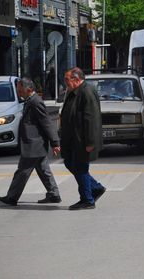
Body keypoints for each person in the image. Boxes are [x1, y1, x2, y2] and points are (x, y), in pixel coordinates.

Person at [0, 77, 62, 206]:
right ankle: (54, 194)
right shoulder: (30, 100)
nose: (19, 93)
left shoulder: (35, 102)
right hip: (35, 144)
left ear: (29, 89)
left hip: (34, 143)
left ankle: (12, 197)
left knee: (22, 171)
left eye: (21, 91)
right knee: (44, 170)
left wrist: (55, 143)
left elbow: (46, 123)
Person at [60, 67, 106, 210]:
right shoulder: (72, 91)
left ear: (76, 79)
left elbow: (91, 119)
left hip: (82, 139)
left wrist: (90, 142)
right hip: (72, 139)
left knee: (80, 168)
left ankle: (87, 199)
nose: (65, 82)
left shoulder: (86, 92)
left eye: (67, 79)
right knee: (70, 163)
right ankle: (95, 188)